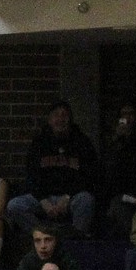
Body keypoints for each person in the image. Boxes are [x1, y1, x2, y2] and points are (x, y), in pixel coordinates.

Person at [7, 99, 100, 237]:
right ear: (49, 120)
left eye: (64, 115)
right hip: (44, 198)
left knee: (86, 200)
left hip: (71, 197)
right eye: (56, 115)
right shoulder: (39, 143)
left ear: (70, 119)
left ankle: (76, 238)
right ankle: (44, 235)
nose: (60, 119)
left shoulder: (82, 142)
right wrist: (43, 201)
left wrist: (67, 197)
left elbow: (88, 176)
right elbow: (31, 176)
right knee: (14, 206)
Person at [102, 101, 136, 238]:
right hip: (123, 195)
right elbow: (110, 173)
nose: (128, 118)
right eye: (124, 114)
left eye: (131, 114)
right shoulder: (115, 143)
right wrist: (118, 140)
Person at [11, 221, 85, 270]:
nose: (43, 246)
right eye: (37, 241)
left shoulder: (67, 261)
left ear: (56, 241)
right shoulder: (28, 261)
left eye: (48, 240)